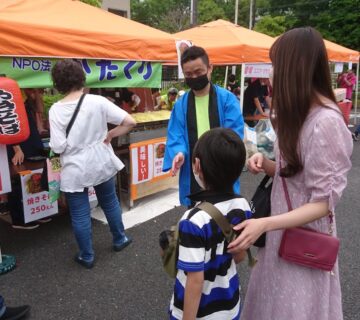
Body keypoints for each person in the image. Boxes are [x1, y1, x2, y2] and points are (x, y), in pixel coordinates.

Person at [227, 27, 353, 320]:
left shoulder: (325, 122)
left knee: (294, 309)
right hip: (280, 234)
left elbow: (323, 202)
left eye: (275, 64)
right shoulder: (299, 113)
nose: (271, 73)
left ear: (293, 67)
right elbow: (295, 176)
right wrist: (267, 163)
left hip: (302, 240)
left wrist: (265, 224)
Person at [49, 60, 136, 269]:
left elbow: (58, 146)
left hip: (74, 166)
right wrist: (111, 134)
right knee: (110, 202)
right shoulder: (97, 101)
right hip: (101, 161)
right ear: (81, 78)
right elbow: (130, 122)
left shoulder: (55, 110)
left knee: (79, 213)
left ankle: (87, 256)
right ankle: (119, 239)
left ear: (58, 83)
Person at [169, 128, 251, 320]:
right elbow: (239, 257)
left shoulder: (193, 220)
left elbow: (195, 280)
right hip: (229, 303)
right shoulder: (242, 205)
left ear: (197, 165)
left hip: (200, 313)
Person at [163, 46, 244, 207]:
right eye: (189, 74)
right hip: (194, 171)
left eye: (198, 72)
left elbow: (234, 135)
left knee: (225, 216)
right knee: (196, 218)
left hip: (222, 168)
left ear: (209, 68)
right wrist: (179, 153)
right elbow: (176, 135)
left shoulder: (227, 100)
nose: (194, 77)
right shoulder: (180, 105)